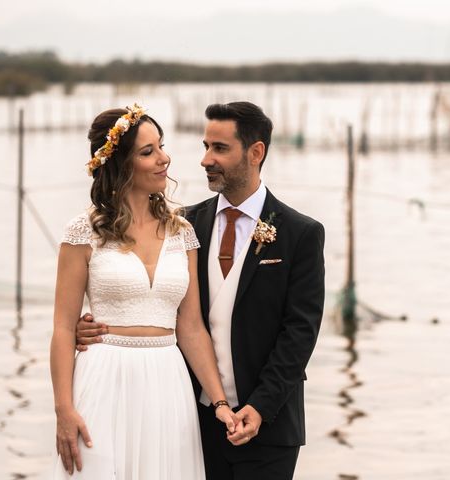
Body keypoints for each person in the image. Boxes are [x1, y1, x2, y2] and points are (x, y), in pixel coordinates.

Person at [78, 101, 326, 480]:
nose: (205, 160)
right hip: (188, 418)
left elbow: (300, 333)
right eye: (205, 146)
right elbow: (166, 309)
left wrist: (259, 407)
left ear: (255, 153)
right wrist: (98, 327)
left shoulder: (300, 233)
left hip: (270, 425)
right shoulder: (184, 225)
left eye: (220, 149)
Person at [49, 104, 237, 479]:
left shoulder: (183, 231)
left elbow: (192, 327)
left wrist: (219, 402)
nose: (164, 159)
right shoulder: (84, 232)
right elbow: (62, 329)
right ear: (120, 164)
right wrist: (63, 410)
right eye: (147, 152)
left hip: (168, 382)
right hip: (104, 377)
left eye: (161, 147)